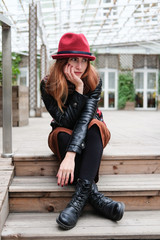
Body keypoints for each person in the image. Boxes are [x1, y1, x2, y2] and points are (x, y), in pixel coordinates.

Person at [40, 32, 125, 230]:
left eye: (84, 60)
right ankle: (96, 198)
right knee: (61, 133)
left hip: (93, 134)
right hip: (63, 135)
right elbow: (65, 121)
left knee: (94, 125)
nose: (79, 66)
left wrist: (70, 156)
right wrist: (78, 91)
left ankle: (78, 202)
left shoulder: (94, 80)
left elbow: (85, 119)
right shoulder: (48, 84)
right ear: (62, 61)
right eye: (74, 59)